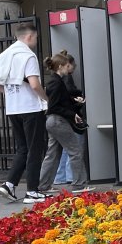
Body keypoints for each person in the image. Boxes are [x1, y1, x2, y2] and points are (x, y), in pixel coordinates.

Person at [0, 20, 49, 204]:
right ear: (30, 36)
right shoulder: (28, 56)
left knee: (23, 148)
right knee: (35, 149)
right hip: (30, 108)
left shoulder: (4, 56)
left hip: (13, 108)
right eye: (36, 38)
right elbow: (34, 84)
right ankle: (32, 191)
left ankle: (9, 184)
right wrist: (46, 98)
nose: (36, 42)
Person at [38, 53, 93, 195]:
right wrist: (72, 113)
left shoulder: (54, 81)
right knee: (75, 151)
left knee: (52, 154)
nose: (69, 68)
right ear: (61, 66)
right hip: (58, 121)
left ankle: (44, 185)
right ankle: (79, 184)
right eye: (67, 65)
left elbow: (58, 103)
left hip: (53, 121)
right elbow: (54, 106)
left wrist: (75, 103)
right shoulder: (57, 83)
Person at [51, 51, 85, 186]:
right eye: (70, 65)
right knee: (75, 149)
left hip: (58, 119)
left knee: (62, 149)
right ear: (64, 65)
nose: (72, 67)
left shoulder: (56, 80)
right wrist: (79, 97)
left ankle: (60, 176)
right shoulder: (63, 79)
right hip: (66, 117)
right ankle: (74, 179)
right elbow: (64, 98)